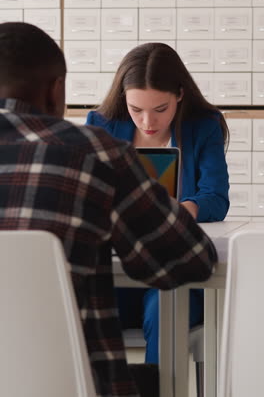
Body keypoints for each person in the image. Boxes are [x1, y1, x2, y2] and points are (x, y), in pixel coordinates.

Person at [0, 23, 218, 397]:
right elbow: (193, 260)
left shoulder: (199, 127)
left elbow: (216, 193)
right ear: (56, 91)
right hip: (79, 384)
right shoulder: (94, 151)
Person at [86, 42, 229, 364]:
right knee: (79, 311)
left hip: (175, 268)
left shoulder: (204, 125)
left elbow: (216, 198)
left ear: (179, 94)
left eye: (160, 109)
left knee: (163, 312)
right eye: (136, 110)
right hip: (117, 266)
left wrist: (182, 210)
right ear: (124, 98)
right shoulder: (100, 123)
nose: (147, 121)